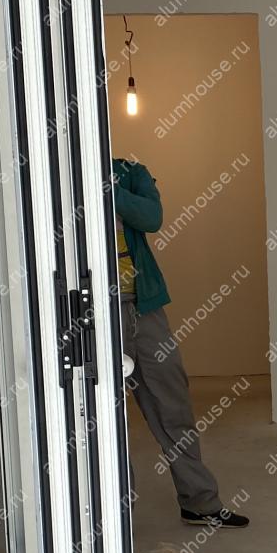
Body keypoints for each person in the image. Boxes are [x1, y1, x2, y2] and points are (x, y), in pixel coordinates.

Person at [111, 157, 249, 529]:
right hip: (95, 313)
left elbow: (151, 218)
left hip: (145, 306)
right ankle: (116, 520)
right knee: (106, 419)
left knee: (173, 405)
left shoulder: (130, 172)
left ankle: (200, 502)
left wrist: (109, 189)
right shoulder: (63, 176)